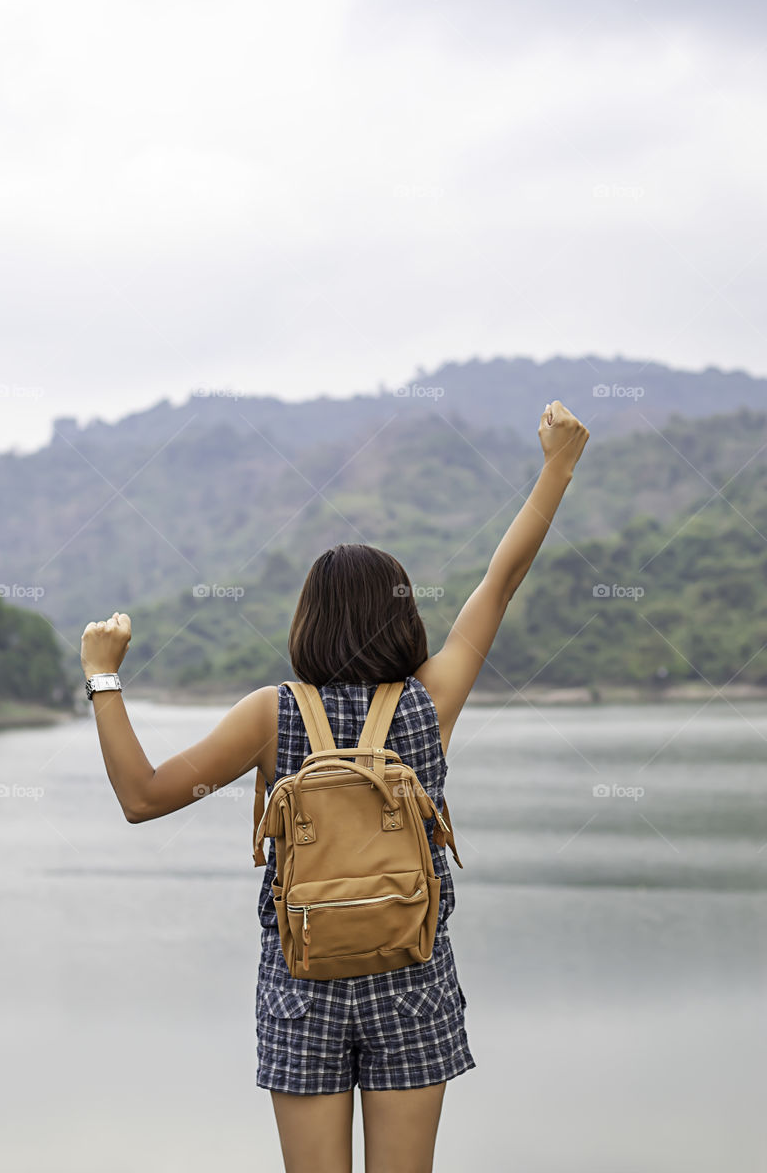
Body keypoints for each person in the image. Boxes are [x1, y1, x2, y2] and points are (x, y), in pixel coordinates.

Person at [80, 399, 590, 1173]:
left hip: (302, 982)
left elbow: (143, 798)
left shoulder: (269, 715)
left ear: (307, 620)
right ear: (405, 616)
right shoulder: (431, 699)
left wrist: (103, 673)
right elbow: (501, 580)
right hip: (412, 975)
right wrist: (557, 467)